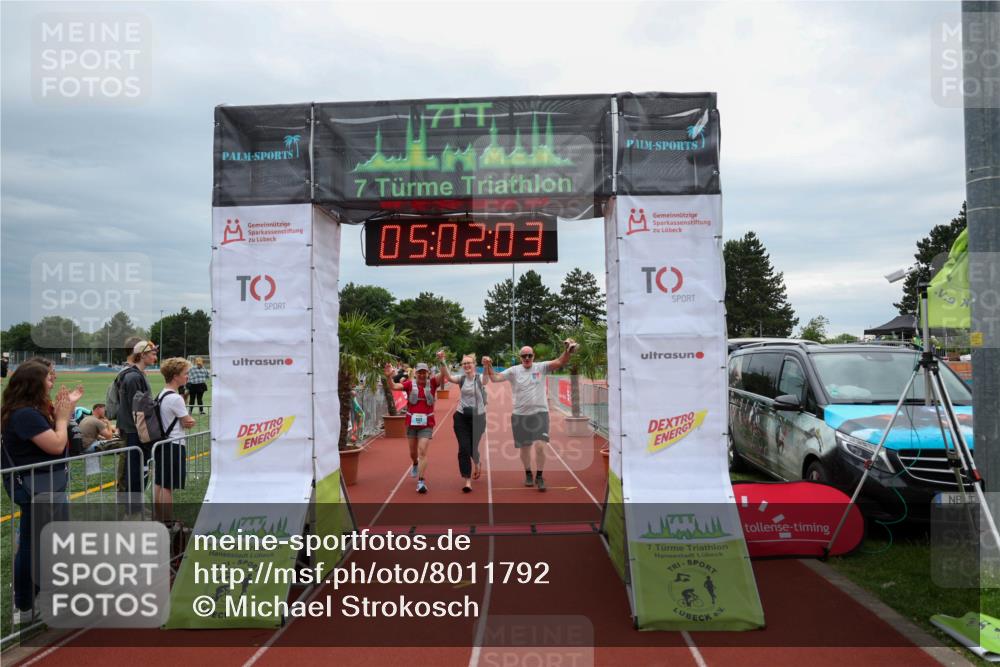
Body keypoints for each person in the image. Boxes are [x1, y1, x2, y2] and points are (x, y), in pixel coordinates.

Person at [1, 360, 83, 623]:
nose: (53, 381)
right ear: (34, 383)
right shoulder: (24, 414)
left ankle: (36, 601)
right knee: (32, 546)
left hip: (45, 487)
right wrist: (62, 418)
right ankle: (26, 606)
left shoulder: (28, 410)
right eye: (49, 378)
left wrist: (63, 412)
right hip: (37, 489)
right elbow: (57, 445)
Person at [485, 338, 577, 492]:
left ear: (534, 356)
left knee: (540, 446)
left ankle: (539, 476)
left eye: (529, 355)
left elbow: (560, 362)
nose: (527, 358)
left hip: (540, 413)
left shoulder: (541, 367)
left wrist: (567, 351)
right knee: (525, 448)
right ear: (520, 358)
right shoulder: (514, 371)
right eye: (524, 356)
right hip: (520, 415)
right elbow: (494, 378)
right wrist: (488, 365)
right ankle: (528, 473)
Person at [384, 361, 441, 493]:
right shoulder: (410, 384)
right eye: (419, 372)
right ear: (416, 373)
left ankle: (421, 481)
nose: (421, 375)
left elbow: (443, 374)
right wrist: (388, 377)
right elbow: (394, 386)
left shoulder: (432, 383)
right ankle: (415, 463)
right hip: (411, 423)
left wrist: (442, 361)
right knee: (413, 453)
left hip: (427, 423)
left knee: (422, 451)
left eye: (424, 372)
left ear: (428, 373)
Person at [116, 340, 158, 514]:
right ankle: (132, 509)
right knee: (134, 471)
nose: (156, 356)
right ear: (142, 355)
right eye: (153, 353)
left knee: (142, 469)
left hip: (137, 430)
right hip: (134, 431)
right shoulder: (133, 377)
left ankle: (137, 506)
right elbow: (138, 410)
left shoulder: (138, 375)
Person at [438, 351, 488, 492]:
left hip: (478, 418)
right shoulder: (461, 379)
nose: (466, 365)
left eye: (469, 363)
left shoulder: (480, 378)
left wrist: (486, 365)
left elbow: (486, 380)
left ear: (474, 365)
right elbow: (447, 376)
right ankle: (467, 480)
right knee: (464, 448)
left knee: (473, 447)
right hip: (461, 416)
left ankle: (477, 462)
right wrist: (442, 360)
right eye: (464, 363)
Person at [155, 358, 196, 521]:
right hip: (174, 444)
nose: (187, 377)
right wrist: (189, 420)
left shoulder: (161, 394)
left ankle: (159, 517)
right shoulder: (176, 398)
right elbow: (188, 422)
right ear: (175, 376)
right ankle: (168, 520)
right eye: (185, 373)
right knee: (167, 486)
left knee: (159, 483)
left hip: (163, 444)